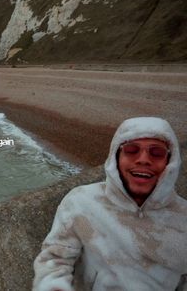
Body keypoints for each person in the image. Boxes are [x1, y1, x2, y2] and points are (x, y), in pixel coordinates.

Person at [33, 117, 187, 291]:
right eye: (131, 150)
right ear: (116, 157)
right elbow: (54, 260)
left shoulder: (183, 218)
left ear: (171, 161)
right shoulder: (81, 201)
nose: (143, 159)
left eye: (156, 153)